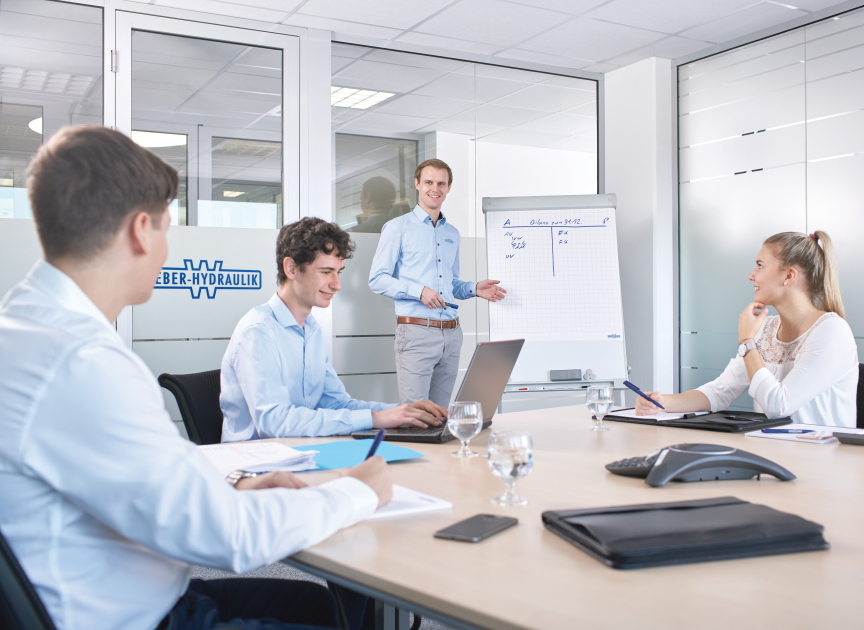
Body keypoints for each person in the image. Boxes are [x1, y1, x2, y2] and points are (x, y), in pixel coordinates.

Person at [0, 126, 393, 630]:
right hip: (139, 616)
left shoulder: (30, 329)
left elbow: (142, 474)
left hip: (118, 588)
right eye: (168, 230)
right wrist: (357, 491)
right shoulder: (83, 363)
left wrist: (233, 485)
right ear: (141, 231)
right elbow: (231, 539)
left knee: (318, 606)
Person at [220, 216, 446, 443]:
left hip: (300, 449)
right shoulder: (258, 331)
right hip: (257, 458)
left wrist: (402, 411)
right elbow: (274, 422)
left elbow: (337, 404)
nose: (337, 285)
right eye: (326, 272)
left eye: (339, 272)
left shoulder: (310, 329)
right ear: (291, 268)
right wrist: (374, 418)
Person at [635, 231, 858, 427]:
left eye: (760, 266)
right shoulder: (766, 328)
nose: (752, 275)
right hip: (775, 450)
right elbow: (721, 391)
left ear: (789, 276)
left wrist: (747, 341)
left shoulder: (831, 331)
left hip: (821, 456)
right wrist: (662, 402)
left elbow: (778, 406)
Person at [368, 159, 506, 408]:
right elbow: (377, 280)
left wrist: (474, 288)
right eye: (429, 182)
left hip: (452, 335)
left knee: (441, 414)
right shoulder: (397, 228)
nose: (435, 188)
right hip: (416, 333)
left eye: (441, 183)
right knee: (416, 415)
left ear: (449, 187)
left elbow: (449, 285)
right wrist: (418, 291)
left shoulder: (451, 233)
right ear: (417, 184)